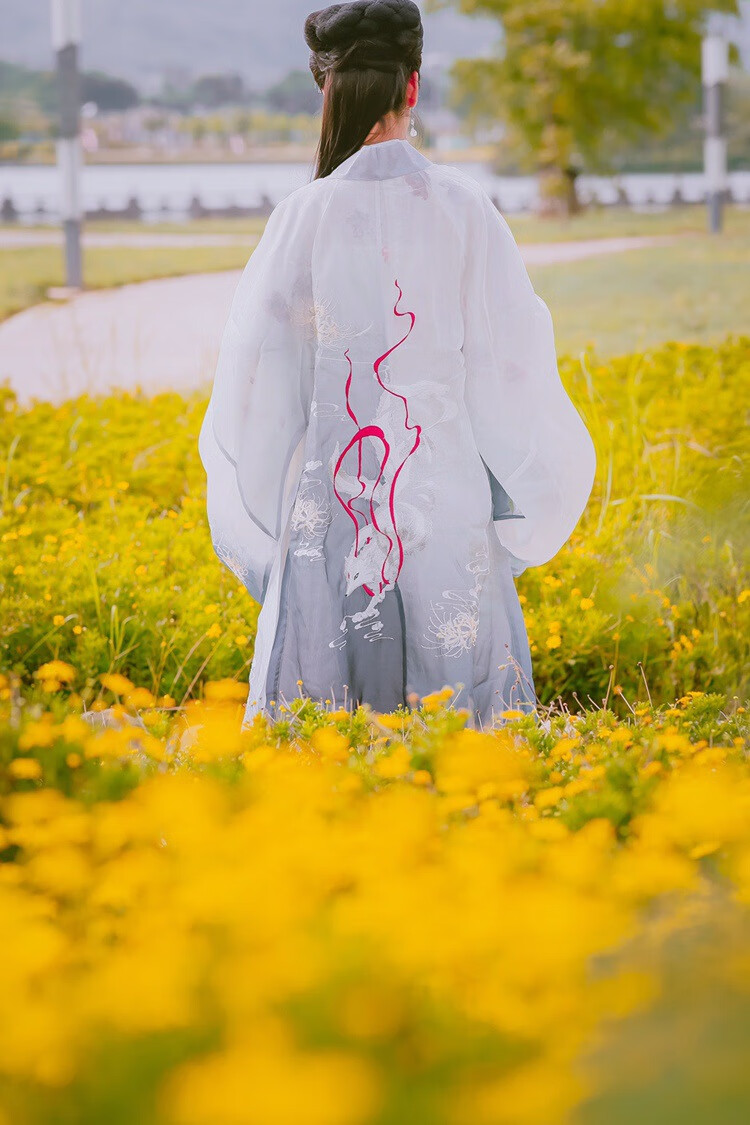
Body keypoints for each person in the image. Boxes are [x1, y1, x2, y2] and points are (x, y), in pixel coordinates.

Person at [199, 0, 596, 727]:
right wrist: (525, 498)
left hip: (331, 506)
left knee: (327, 726)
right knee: (456, 719)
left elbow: (256, 385)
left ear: (329, 91)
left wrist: (274, 495)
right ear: (412, 86)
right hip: (445, 499)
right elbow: (513, 368)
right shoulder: (466, 209)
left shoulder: (302, 216)